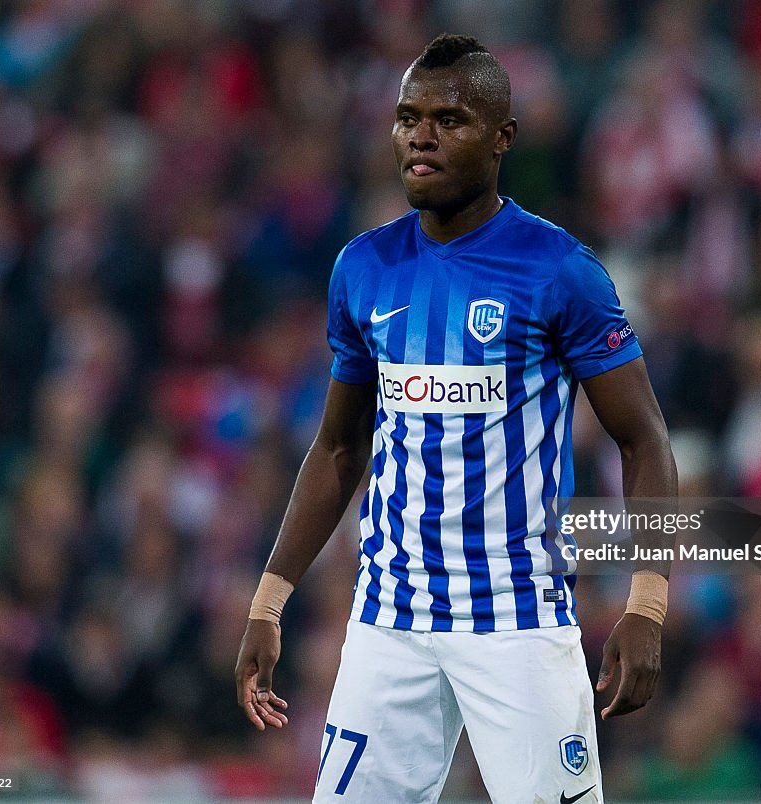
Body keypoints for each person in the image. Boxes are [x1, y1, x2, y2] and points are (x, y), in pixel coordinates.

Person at [235, 34, 677, 803]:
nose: (421, 135)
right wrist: (269, 601)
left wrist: (647, 601)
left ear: (502, 138)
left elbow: (644, 440)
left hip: (516, 620)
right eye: (408, 117)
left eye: (449, 118)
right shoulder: (363, 268)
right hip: (389, 621)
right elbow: (339, 448)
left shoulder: (560, 270)